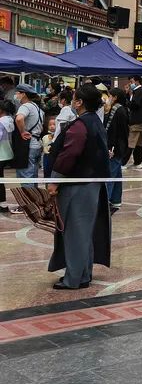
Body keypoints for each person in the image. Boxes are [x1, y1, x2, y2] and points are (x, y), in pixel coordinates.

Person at [46, 83, 111, 290]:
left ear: (79, 102)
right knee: (84, 232)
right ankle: (83, 275)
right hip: (91, 184)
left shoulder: (80, 125)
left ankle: (73, 279)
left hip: (77, 185)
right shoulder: (95, 122)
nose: (72, 100)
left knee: (75, 232)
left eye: (75, 97)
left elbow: (69, 155)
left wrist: (54, 181)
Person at [13, 84, 45, 191]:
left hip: (27, 146)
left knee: (25, 177)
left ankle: (29, 201)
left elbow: (19, 118)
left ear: (23, 94)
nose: (16, 95)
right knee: (33, 177)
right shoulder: (38, 108)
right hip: (36, 144)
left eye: (18, 93)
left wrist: (22, 132)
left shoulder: (26, 106)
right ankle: (34, 200)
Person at [104, 88, 129, 212]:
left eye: (110, 96)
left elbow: (114, 131)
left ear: (115, 97)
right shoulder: (120, 109)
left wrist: (111, 147)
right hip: (119, 147)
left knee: (110, 175)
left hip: (114, 148)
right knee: (117, 174)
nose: (108, 98)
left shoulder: (117, 110)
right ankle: (115, 199)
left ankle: (106, 200)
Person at [0, 99, 14, 212]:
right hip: (7, 153)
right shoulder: (10, 120)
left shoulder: (1, 122)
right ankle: (2, 204)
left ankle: (3, 204)